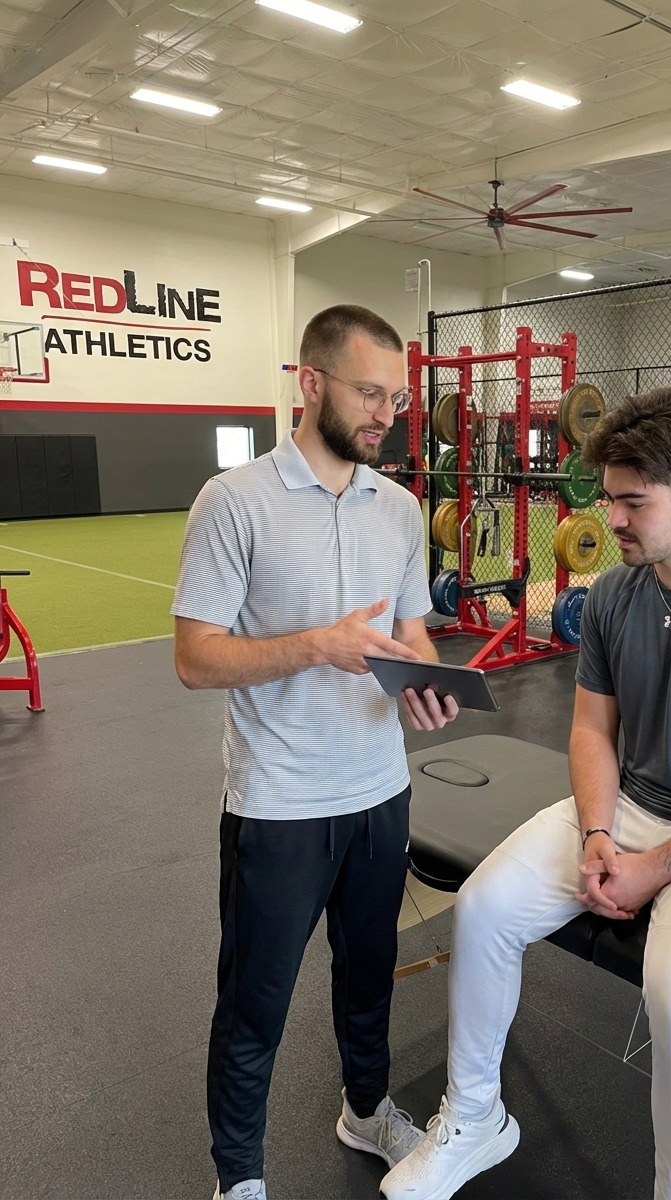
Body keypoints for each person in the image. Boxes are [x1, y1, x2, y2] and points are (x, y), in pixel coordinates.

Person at [381, 387, 671, 1200]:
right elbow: (592, 730)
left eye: (634, 502)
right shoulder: (618, 593)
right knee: (482, 909)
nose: (612, 520)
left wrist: (654, 868)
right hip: (630, 808)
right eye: (610, 499)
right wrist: (598, 834)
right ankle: (476, 1120)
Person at [171, 305, 457, 1200]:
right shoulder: (234, 502)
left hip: (380, 791)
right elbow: (195, 658)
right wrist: (316, 646)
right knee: (255, 1004)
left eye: (397, 399)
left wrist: (424, 679)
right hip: (280, 800)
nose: (386, 415)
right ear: (310, 383)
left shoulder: (400, 508)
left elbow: (413, 631)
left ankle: (365, 1111)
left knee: (369, 980)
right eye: (370, 394)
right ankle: (239, 1178)